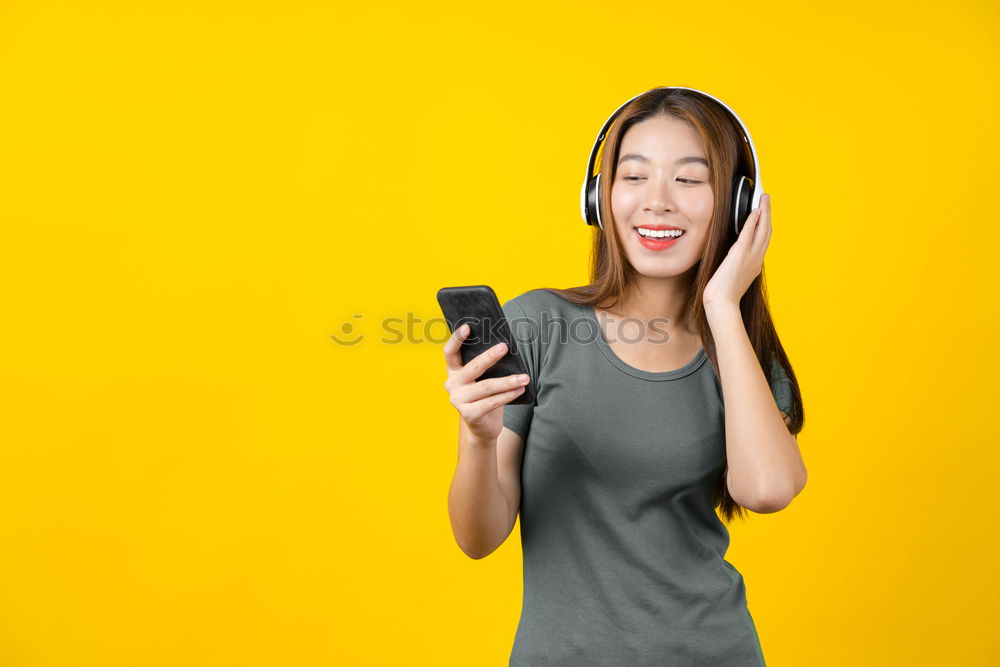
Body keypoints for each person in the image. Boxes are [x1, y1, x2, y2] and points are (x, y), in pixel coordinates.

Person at [444, 87, 806, 666]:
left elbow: (765, 491)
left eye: (690, 180)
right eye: (633, 177)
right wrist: (478, 439)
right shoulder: (538, 324)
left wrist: (721, 307)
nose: (656, 202)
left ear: (738, 205)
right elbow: (478, 539)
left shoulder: (740, 351)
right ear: (600, 198)